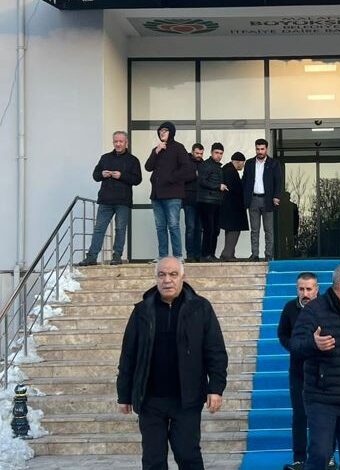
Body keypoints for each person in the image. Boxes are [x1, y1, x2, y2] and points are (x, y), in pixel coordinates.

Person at [116, 256, 228, 470]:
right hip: (150, 399)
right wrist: (124, 394)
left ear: (183, 277)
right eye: (162, 275)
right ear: (156, 278)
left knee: (188, 455)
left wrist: (216, 388)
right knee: (153, 459)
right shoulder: (142, 310)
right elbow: (128, 354)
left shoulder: (201, 308)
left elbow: (215, 351)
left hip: (187, 398)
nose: (167, 280)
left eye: (173, 274)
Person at [290, 264, 340, 470]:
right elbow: (296, 344)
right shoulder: (314, 310)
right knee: (320, 455)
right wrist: (313, 344)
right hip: (322, 398)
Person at [79, 131, 142, 266]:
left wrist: (121, 176)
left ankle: (117, 256)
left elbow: (137, 179)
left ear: (126, 143)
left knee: (120, 229)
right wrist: (102, 174)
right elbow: (95, 176)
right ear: (113, 142)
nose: (118, 144)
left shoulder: (133, 160)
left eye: (121, 141)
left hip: (123, 201)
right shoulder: (105, 158)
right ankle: (91, 257)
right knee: (99, 229)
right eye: (115, 141)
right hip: (105, 200)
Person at [278, 272, 320, 470]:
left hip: (322, 370)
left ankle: (326, 457)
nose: (305, 293)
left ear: (316, 289)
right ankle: (299, 459)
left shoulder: (326, 307)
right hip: (298, 371)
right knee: (300, 415)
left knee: (323, 416)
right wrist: (295, 347)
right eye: (301, 289)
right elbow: (282, 334)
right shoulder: (289, 308)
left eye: (309, 289)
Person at [145, 122, 194, 260]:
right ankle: (163, 256)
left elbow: (187, 168)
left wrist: (171, 178)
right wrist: (156, 152)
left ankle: (178, 256)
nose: (162, 132)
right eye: (160, 130)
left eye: (165, 130)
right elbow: (148, 167)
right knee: (160, 227)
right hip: (156, 195)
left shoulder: (178, 148)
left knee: (173, 226)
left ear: (171, 132)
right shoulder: (157, 149)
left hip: (173, 195)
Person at [242, 138, 282, 261]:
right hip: (253, 199)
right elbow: (245, 181)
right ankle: (254, 255)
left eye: (262, 149)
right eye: (258, 149)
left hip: (268, 200)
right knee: (254, 230)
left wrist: (276, 196)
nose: (260, 151)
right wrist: (245, 197)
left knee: (268, 230)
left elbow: (278, 181)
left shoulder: (274, 163)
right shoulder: (249, 163)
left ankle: (268, 255)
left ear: (266, 149)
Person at [197, 143, 228, 262]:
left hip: (216, 202)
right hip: (206, 202)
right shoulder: (205, 165)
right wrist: (218, 186)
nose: (219, 155)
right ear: (211, 153)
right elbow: (202, 181)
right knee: (209, 229)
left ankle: (211, 254)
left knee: (215, 230)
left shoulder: (218, 167)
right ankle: (205, 255)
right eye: (216, 153)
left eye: (221, 153)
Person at [220, 151, 249, 261]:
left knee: (230, 230)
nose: (243, 166)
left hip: (229, 207)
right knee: (234, 230)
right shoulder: (231, 172)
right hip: (233, 208)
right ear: (238, 162)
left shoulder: (226, 169)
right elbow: (236, 189)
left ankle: (229, 253)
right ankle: (227, 253)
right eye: (243, 163)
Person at [182, 143, 205, 263]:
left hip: (201, 200)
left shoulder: (203, 164)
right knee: (190, 228)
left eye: (201, 153)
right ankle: (190, 255)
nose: (199, 155)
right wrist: (195, 175)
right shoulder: (185, 162)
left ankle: (198, 254)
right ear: (192, 152)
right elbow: (181, 178)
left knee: (199, 228)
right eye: (197, 153)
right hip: (189, 200)